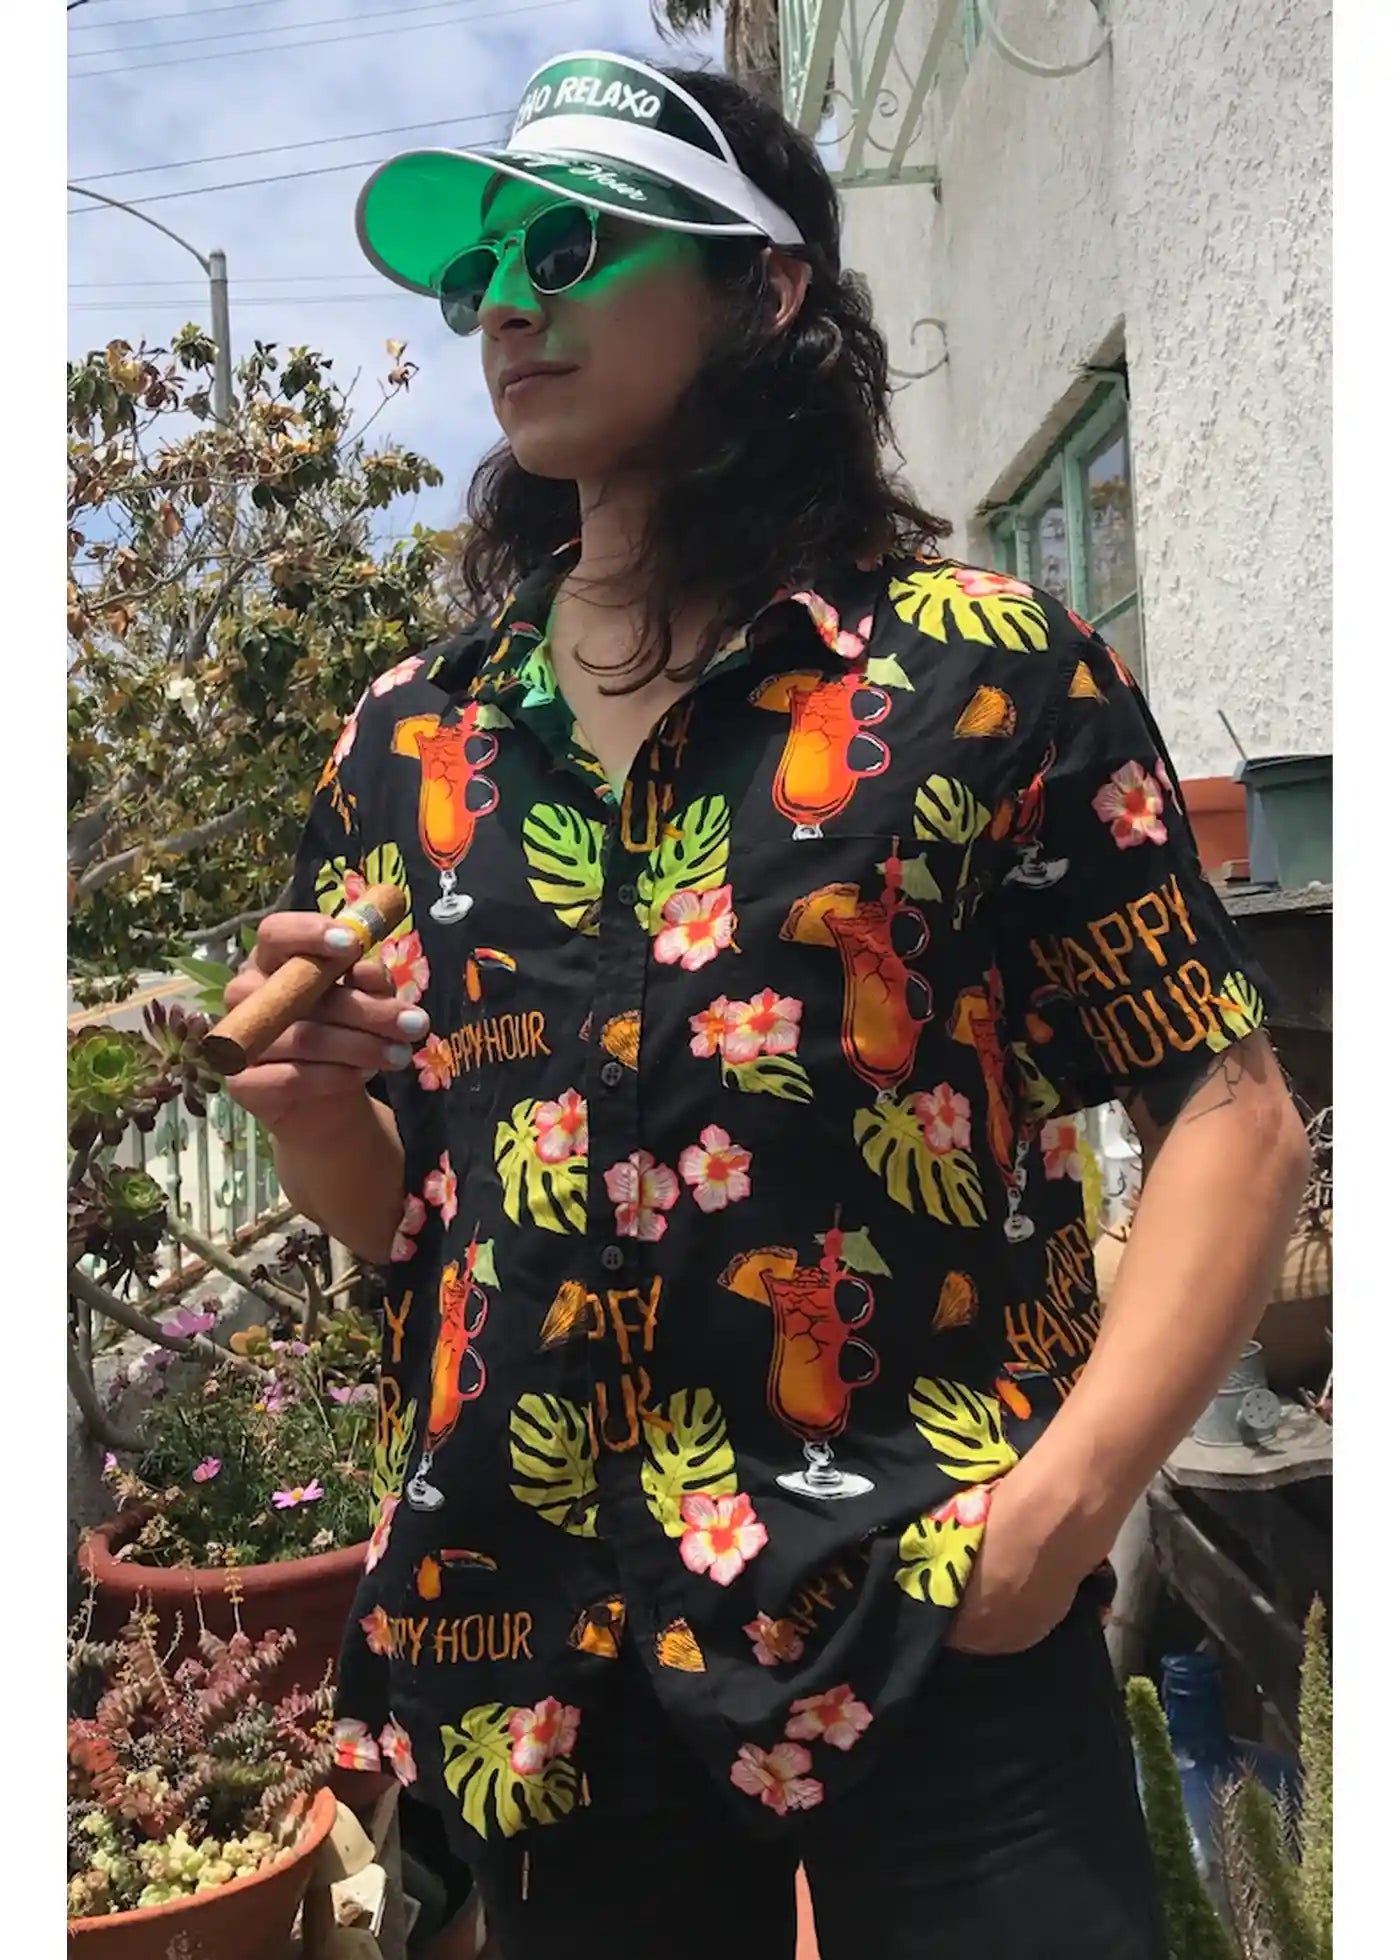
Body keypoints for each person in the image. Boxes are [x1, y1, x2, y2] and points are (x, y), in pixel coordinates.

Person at [224, 50, 1311, 1960]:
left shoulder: (984, 674)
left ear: (767, 286)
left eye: (573, 243)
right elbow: (408, 1212)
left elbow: (1234, 1118)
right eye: (482, 267)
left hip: (930, 1600)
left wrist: (1060, 1512)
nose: (509, 306)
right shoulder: (411, 740)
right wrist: (314, 1108)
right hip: (547, 1638)